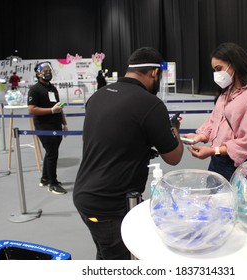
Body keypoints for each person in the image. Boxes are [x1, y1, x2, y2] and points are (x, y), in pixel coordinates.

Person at [73, 47, 184, 260]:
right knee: (119, 260)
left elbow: (101, 139)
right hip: (110, 204)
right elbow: (173, 157)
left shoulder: (97, 96)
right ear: (154, 73)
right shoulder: (150, 104)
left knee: (105, 254)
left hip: (85, 192)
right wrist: (174, 130)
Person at [182, 42, 247, 181]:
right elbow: (214, 121)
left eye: (219, 69)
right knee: (215, 200)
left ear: (234, 64)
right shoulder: (226, 93)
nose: (216, 74)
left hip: (237, 164)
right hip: (217, 162)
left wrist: (213, 150)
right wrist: (199, 136)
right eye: (214, 70)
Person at [27, 62, 68, 195]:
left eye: (49, 70)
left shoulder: (53, 88)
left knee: (51, 151)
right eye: (45, 71)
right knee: (52, 153)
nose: (48, 73)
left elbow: (59, 107)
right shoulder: (34, 89)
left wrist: (64, 123)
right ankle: (53, 183)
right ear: (38, 73)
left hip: (56, 125)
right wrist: (51, 110)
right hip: (44, 126)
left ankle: (45, 178)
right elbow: (31, 109)